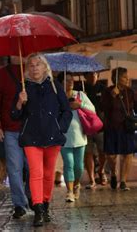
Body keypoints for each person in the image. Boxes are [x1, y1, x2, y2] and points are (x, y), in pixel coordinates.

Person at [11, 53, 72, 227]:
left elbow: (66, 111)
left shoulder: (55, 85)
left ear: (45, 67)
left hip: (53, 137)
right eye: (31, 65)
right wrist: (19, 103)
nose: (34, 68)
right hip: (31, 137)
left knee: (48, 174)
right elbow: (14, 115)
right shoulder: (23, 87)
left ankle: (45, 204)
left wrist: (60, 127)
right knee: (35, 172)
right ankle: (37, 209)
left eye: (38, 64)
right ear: (27, 69)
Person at [0, 56, 30, 219]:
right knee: (14, 168)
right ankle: (19, 203)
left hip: (32, 130)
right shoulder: (0, 75)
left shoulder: (32, 72)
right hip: (10, 130)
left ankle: (32, 197)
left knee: (32, 168)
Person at [58, 73, 95, 202]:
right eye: (67, 80)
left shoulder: (80, 95)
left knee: (79, 166)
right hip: (64, 136)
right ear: (61, 83)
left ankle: (77, 184)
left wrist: (80, 105)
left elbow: (93, 110)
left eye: (71, 80)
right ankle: (69, 191)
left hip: (79, 136)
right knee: (69, 164)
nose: (70, 82)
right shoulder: (57, 96)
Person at [101, 67, 135, 191]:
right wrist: (112, 96)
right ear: (116, 78)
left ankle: (124, 181)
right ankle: (114, 173)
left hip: (126, 128)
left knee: (128, 153)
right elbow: (103, 108)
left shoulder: (130, 92)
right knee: (111, 155)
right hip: (111, 128)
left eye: (127, 77)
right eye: (124, 77)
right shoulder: (107, 92)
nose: (127, 79)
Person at [79, 72, 107, 188]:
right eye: (89, 75)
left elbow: (107, 106)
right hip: (86, 126)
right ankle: (92, 179)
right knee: (88, 153)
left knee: (103, 151)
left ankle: (101, 170)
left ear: (98, 75)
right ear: (85, 76)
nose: (92, 76)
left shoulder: (103, 89)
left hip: (100, 125)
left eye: (94, 74)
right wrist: (82, 98)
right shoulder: (80, 89)